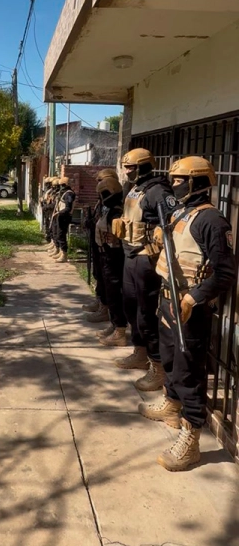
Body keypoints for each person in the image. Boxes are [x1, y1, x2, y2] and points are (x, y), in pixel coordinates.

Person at [137, 156, 236, 471]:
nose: (174, 185)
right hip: (168, 299)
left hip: (189, 309)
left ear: (198, 182)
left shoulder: (213, 221)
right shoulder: (181, 212)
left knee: (188, 371)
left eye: (180, 180)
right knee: (169, 360)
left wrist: (193, 299)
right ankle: (171, 405)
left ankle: (191, 437)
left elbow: (225, 273)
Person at [110, 148, 177, 391]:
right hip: (130, 254)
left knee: (146, 313)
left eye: (131, 167)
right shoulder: (136, 188)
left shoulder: (158, 190)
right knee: (130, 306)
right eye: (126, 167)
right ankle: (140, 352)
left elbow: (171, 221)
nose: (127, 171)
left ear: (144, 166)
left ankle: (158, 367)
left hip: (145, 258)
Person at [94, 174, 130, 347]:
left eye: (104, 193)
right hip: (106, 255)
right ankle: (115, 325)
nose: (102, 197)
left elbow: (121, 236)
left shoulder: (117, 211)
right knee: (110, 293)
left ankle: (120, 331)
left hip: (114, 257)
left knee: (115, 294)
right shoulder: (108, 209)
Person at [83, 169, 118, 322]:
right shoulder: (101, 202)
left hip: (108, 247)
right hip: (98, 243)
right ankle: (100, 302)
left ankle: (105, 309)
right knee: (98, 274)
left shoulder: (114, 203)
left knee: (107, 280)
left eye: (101, 181)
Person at [50, 177, 75, 263]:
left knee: (61, 235)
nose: (61, 187)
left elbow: (68, 208)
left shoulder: (69, 194)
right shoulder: (64, 193)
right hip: (60, 216)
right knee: (58, 234)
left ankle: (64, 254)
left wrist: (59, 213)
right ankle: (61, 251)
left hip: (65, 217)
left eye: (62, 185)